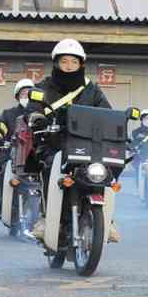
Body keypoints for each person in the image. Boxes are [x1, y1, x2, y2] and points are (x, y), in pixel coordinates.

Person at [30, 39, 117, 241]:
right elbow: (32, 108)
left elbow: (107, 112)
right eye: (64, 61)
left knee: (107, 168)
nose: (69, 66)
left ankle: (108, 220)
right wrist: (35, 117)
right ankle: (45, 218)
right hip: (54, 143)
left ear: (81, 65)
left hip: (87, 144)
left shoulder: (91, 89)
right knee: (48, 166)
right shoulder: (44, 86)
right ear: (56, 63)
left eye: (74, 62)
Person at [0, 79, 35, 215]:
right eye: (23, 93)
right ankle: (1, 205)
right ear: (17, 96)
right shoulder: (8, 113)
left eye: (29, 93)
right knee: (5, 170)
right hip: (11, 151)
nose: (26, 96)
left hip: (35, 153)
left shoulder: (42, 112)